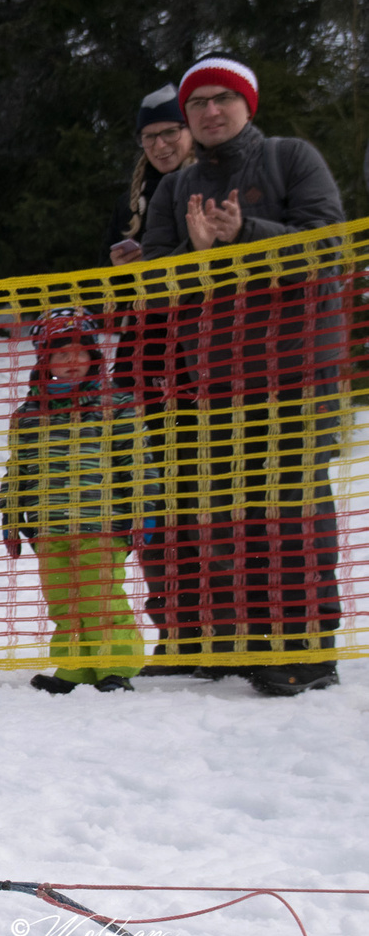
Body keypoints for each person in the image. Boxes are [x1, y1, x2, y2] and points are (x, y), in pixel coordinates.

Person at [138, 55, 345, 696]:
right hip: (213, 383)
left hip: (297, 373)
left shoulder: (292, 158)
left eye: (224, 98)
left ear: (247, 105)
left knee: (290, 510)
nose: (211, 111)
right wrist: (194, 256)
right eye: (199, 103)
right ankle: (228, 642)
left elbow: (334, 245)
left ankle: (306, 649)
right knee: (218, 512)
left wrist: (249, 233)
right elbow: (155, 281)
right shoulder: (177, 187)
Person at [0, 309, 159, 695]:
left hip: (102, 525)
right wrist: (10, 516)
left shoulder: (115, 404)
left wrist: (145, 512)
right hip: (51, 528)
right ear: (45, 361)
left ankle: (115, 666)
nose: (71, 362)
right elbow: (18, 469)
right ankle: (76, 668)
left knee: (98, 597)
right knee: (63, 600)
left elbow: (136, 461)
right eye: (60, 354)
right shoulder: (28, 416)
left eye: (79, 352)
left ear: (93, 357)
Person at [105, 84, 194, 266]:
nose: (159, 145)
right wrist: (117, 273)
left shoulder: (213, 182)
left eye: (170, 132)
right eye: (149, 136)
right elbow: (100, 282)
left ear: (191, 131)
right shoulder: (128, 204)